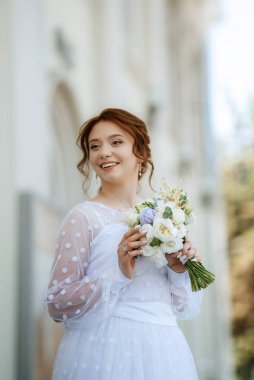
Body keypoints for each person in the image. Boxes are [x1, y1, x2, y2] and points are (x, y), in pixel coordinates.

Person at [44, 108, 203, 380]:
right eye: (95, 146)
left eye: (116, 142)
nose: (103, 152)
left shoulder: (166, 216)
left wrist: (179, 270)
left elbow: (184, 307)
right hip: (104, 351)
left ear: (140, 151)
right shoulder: (83, 217)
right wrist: (117, 273)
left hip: (164, 352)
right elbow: (56, 303)